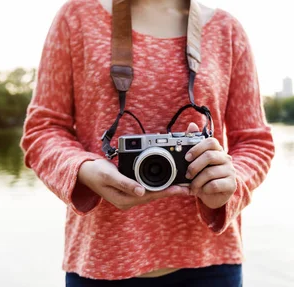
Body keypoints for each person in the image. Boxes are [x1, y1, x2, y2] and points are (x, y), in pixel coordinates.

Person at [20, 0, 275, 285]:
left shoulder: (226, 30)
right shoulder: (77, 18)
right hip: (101, 260)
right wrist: (85, 169)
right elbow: (42, 130)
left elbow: (255, 141)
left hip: (210, 261)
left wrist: (229, 183)